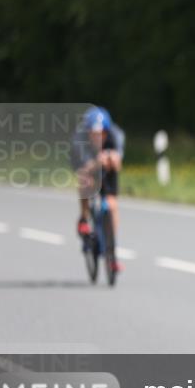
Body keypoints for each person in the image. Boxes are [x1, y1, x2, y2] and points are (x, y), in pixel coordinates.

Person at [71, 106, 125, 270]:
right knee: (85, 181)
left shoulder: (116, 135)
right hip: (87, 168)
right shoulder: (79, 140)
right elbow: (83, 169)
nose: (98, 138)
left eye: (101, 133)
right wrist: (96, 162)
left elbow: (118, 163)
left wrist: (112, 159)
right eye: (94, 134)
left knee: (113, 205)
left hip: (107, 169)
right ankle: (84, 217)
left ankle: (111, 248)